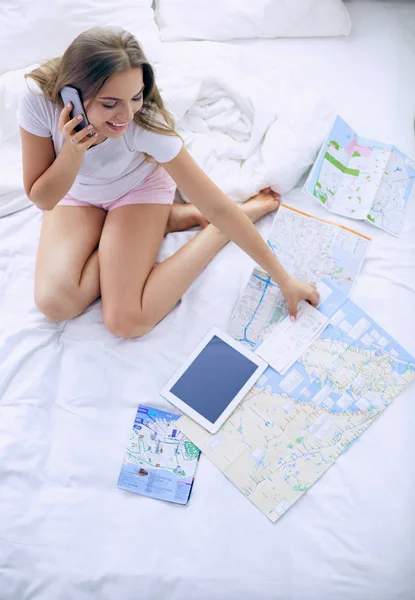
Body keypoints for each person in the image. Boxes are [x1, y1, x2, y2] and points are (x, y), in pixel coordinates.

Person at [18, 26, 319, 339]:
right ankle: (161, 222)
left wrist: (285, 281)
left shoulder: (146, 123)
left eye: (135, 97)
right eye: (110, 103)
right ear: (73, 96)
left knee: (127, 321)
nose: (126, 115)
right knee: (55, 303)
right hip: (75, 194)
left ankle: (210, 234)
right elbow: (42, 198)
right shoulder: (38, 99)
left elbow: (217, 207)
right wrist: (73, 151)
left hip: (136, 192)